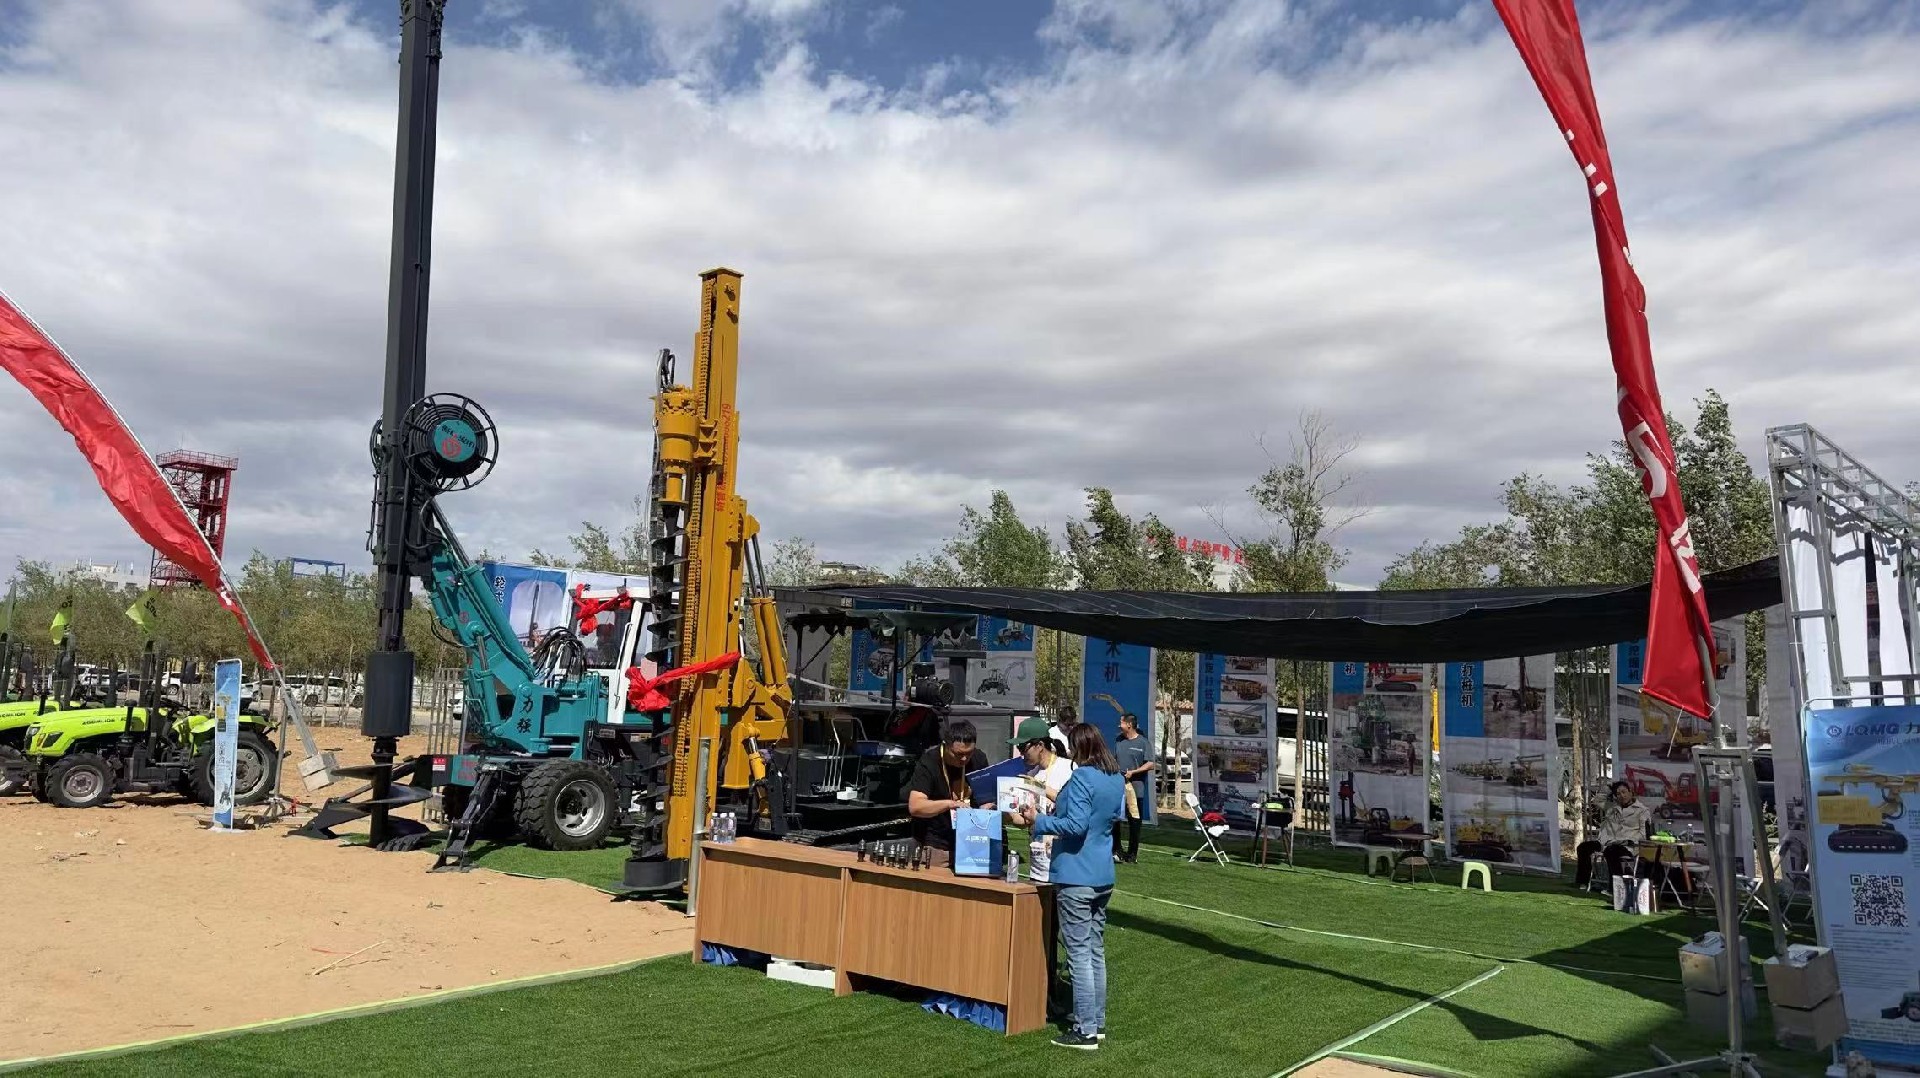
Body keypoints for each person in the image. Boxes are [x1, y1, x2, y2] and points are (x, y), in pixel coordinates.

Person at [1016, 723, 1125, 1051]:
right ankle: (1096, 1022)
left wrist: (1039, 820)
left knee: (1079, 954)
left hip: (1077, 874)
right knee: (1094, 950)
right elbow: (1106, 820)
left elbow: (1076, 825)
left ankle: (1085, 1029)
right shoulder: (1114, 778)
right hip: (1102, 873)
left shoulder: (1082, 778)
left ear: (1080, 747)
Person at [905, 720, 992, 864]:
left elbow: (986, 797)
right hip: (938, 844)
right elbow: (916, 806)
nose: (964, 759)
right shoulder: (930, 762)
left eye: (969, 753)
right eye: (958, 754)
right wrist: (950, 804)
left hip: (973, 842)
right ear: (945, 746)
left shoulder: (979, 758)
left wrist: (988, 806)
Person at [1574, 780, 1653, 889]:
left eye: (1624, 792)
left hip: (1627, 845)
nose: (1622, 796)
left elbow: (1643, 834)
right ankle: (1583, 882)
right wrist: (1608, 788)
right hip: (1606, 842)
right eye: (1618, 794)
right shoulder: (1611, 807)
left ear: (1630, 792)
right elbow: (1596, 800)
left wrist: (1628, 840)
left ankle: (1615, 887)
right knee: (1583, 847)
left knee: (1612, 851)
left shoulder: (1642, 811)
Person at [1111, 713, 1153, 864]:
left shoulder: (1143, 742)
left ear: (1129, 725)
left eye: (1121, 722)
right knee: (1115, 819)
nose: (1119, 724)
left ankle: (1132, 853)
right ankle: (1117, 850)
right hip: (1118, 785)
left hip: (1136, 788)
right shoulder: (1119, 740)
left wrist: (1134, 772)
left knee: (1134, 821)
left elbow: (1150, 764)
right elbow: (1114, 759)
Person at [1010, 716, 1075, 808]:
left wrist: (1037, 786)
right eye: (1019, 748)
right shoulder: (1031, 774)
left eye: (1023, 748)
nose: (1021, 753)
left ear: (1040, 745)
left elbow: (1072, 803)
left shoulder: (1069, 768)